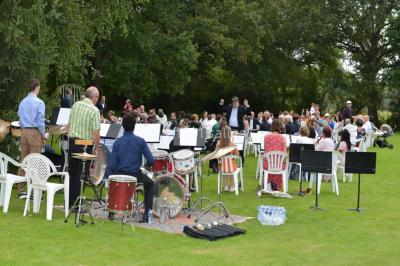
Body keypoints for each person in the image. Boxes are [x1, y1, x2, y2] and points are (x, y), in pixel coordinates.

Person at [108, 113, 155, 223]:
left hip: (120, 174)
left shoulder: (117, 142)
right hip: (135, 175)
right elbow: (151, 160)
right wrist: (148, 166)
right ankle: (146, 215)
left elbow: (112, 165)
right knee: (151, 184)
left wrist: (113, 175)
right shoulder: (140, 141)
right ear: (134, 127)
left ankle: (112, 212)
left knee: (114, 180)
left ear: (122, 126)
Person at [68, 86, 101, 210]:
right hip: (85, 144)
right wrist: (96, 148)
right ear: (94, 97)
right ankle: (76, 204)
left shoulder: (75, 105)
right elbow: (96, 132)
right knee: (80, 174)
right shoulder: (94, 110)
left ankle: (70, 201)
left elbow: (69, 124)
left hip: (72, 142)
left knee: (72, 172)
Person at [17, 78, 46, 199]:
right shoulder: (39, 102)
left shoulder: (23, 102)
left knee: (23, 161)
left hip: (24, 132)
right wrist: (43, 134)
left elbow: (19, 117)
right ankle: (34, 191)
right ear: (37, 87)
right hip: (34, 132)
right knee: (36, 162)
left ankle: (20, 189)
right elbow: (40, 121)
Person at [263, 119, 287, 191]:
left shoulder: (266, 137)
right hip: (279, 165)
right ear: (280, 127)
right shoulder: (283, 138)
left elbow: (265, 151)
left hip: (268, 164)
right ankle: (277, 187)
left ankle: (268, 186)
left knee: (265, 161)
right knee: (282, 164)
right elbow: (285, 153)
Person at [216, 126, 240, 192]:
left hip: (221, 166)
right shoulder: (232, 144)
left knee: (225, 169)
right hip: (231, 167)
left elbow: (216, 155)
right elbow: (237, 155)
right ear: (229, 134)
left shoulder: (218, 143)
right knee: (233, 169)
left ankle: (225, 186)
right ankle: (232, 187)